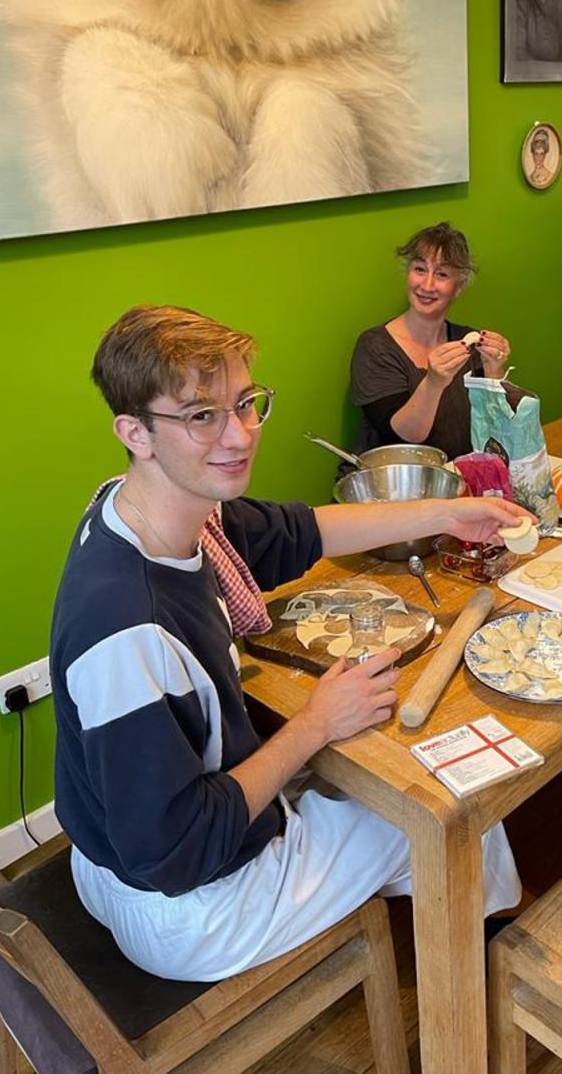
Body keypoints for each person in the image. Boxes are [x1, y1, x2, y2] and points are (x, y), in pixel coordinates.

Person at [51, 304, 526, 981]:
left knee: (374, 782)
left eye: (246, 404)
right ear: (136, 432)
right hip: (188, 905)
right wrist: (314, 726)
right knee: (454, 811)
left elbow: (304, 531)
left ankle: (465, 929)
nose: (239, 435)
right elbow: (177, 849)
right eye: (200, 416)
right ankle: (489, 967)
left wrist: (450, 512)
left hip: (114, 852)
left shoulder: (151, 511)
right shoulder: (129, 627)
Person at [350, 223, 511, 460]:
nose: (427, 285)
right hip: (395, 485)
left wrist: (495, 373)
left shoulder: (473, 345)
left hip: (459, 480)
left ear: (459, 287)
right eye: (419, 269)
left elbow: (498, 432)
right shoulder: (375, 347)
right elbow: (404, 437)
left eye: (442, 274)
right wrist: (433, 383)